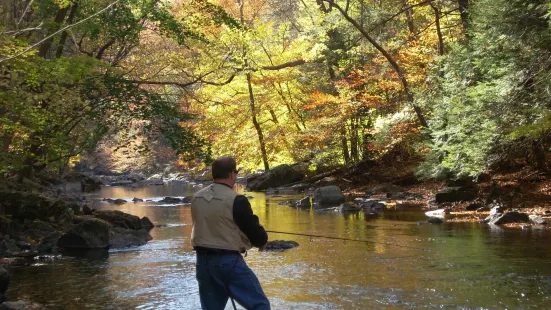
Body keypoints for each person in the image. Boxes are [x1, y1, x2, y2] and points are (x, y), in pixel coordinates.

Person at [191, 156, 270, 310]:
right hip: (228, 263)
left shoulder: (197, 198)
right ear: (232, 174)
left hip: (202, 263)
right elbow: (252, 228)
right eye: (235, 172)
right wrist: (262, 241)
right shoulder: (236, 200)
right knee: (259, 305)